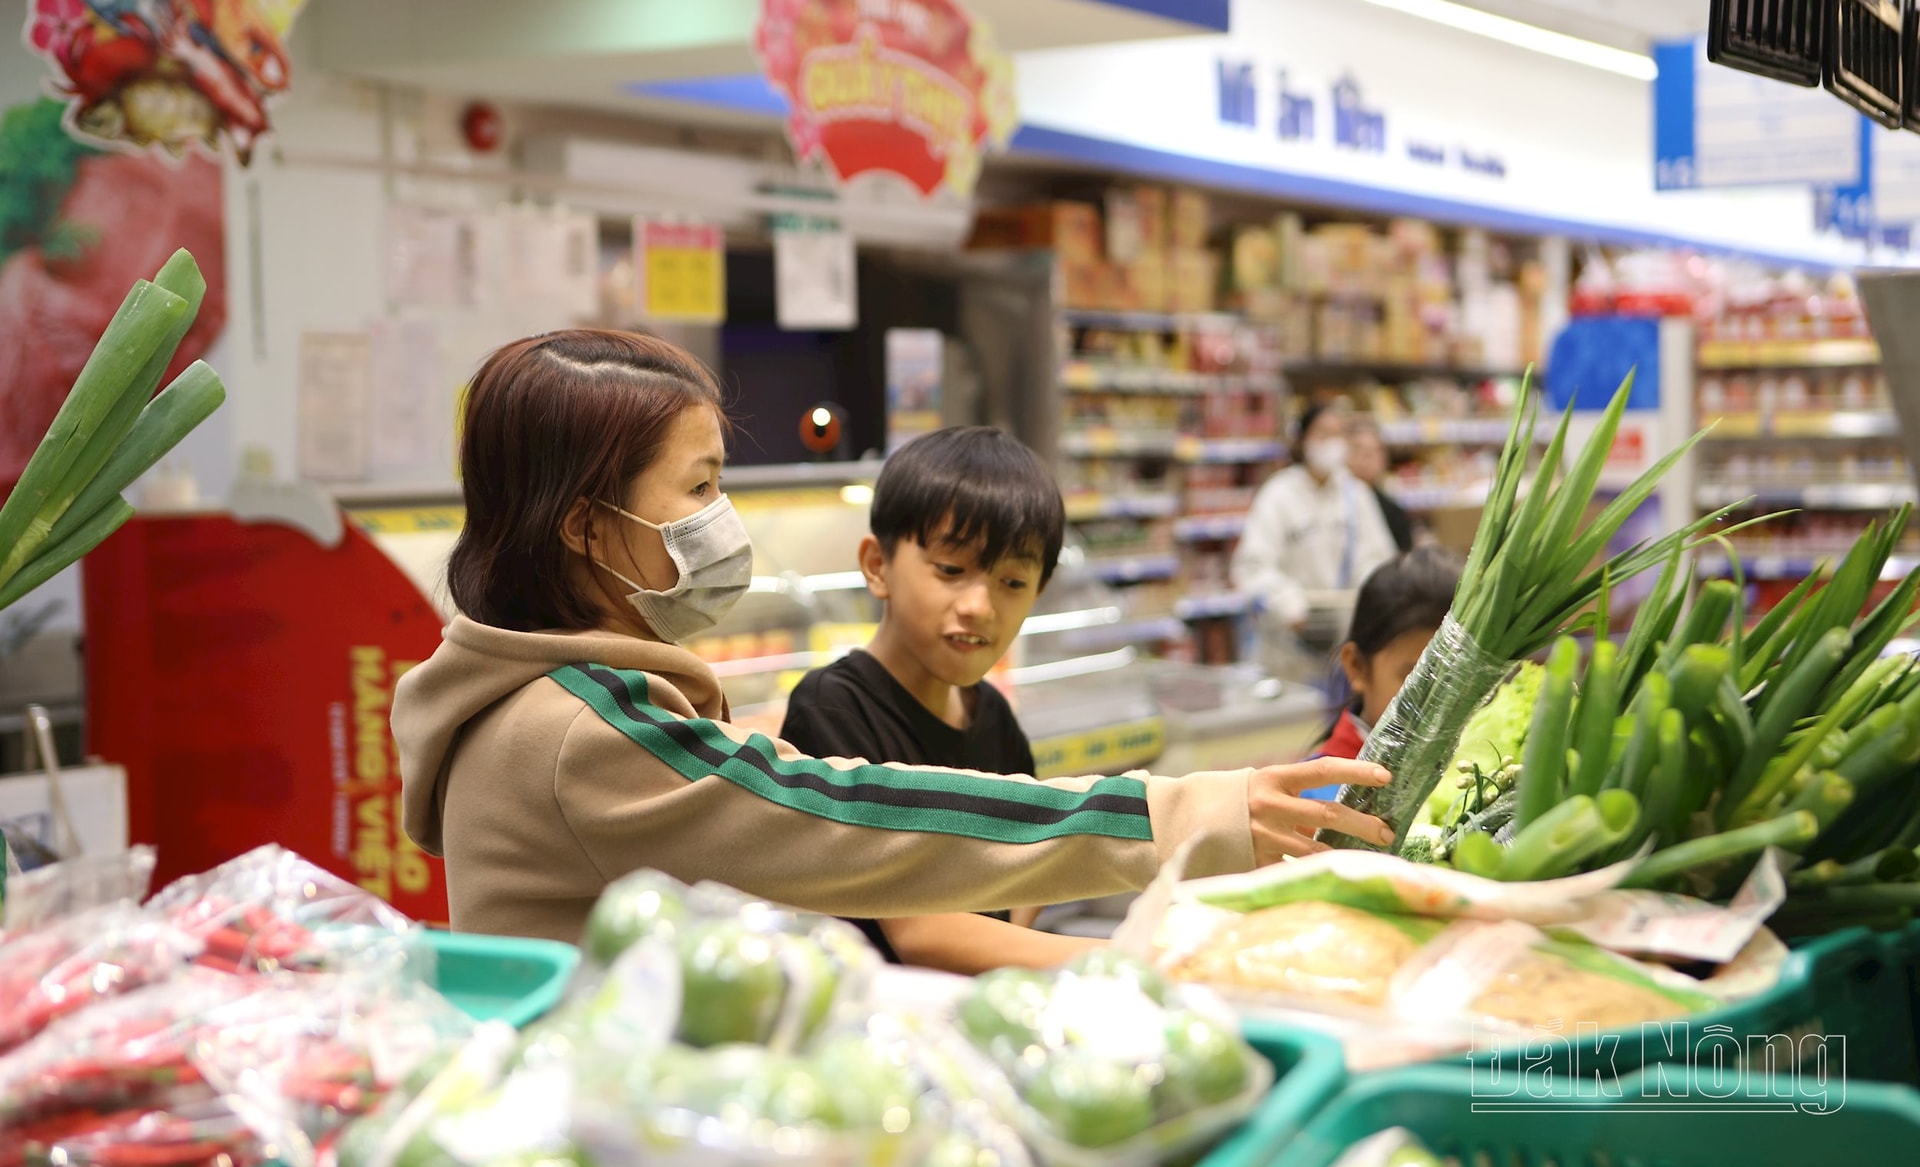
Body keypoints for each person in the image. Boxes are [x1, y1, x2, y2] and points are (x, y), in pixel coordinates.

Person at [392, 330, 1397, 943]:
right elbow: (839, 812)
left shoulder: (566, 699)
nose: (721, 515)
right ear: (582, 525)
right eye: (699, 487)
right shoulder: (584, 727)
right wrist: (1183, 815)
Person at [781, 426, 1090, 974]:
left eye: (1012, 582)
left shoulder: (991, 714)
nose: (979, 605)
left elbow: (1025, 874)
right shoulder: (832, 708)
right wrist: (1131, 957)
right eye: (951, 570)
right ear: (879, 566)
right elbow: (921, 931)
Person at [1231, 402, 1399, 635]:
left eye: (1338, 434)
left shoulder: (1356, 494)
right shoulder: (1278, 494)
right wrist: (1287, 602)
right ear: (1302, 440)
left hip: (1345, 636)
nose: (1331, 442)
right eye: (1323, 433)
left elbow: (1379, 560)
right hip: (1288, 640)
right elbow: (1253, 565)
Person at [1315, 546, 1462, 762]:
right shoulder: (1319, 792)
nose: (1442, 706)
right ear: (1356, 665)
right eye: (1419, 680)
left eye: (1459, 679)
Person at [1347, 417, 1415, 554]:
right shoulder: (1334, 504)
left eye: (1374, 451)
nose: (1366, 457)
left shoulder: (1393, 512)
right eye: (1358, 449)